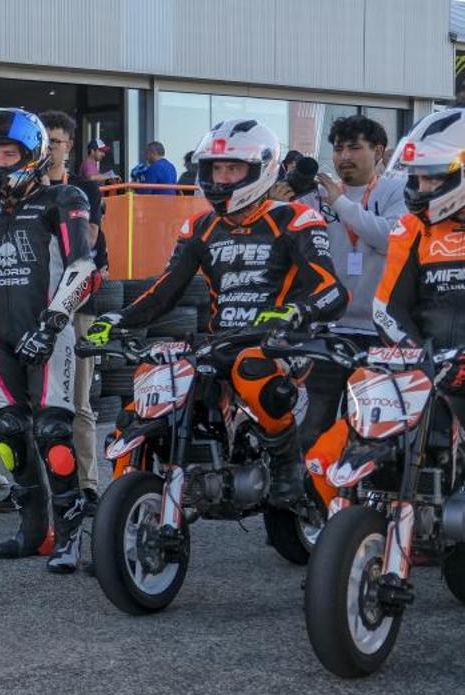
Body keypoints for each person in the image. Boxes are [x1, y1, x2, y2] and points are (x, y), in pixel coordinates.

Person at [86, 118, 347, 506]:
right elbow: (165, 290)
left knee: (251, 368)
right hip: (219, 341)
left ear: (260, 170)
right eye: (216, 168)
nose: (222, 178)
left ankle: (286, 460)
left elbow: (332, 290)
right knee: (144, 390)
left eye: (233, 168)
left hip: (283, 344)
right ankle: (127, 503)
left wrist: (294, 312)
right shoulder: (200, 226)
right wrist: (118, 319)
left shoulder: (294, 218)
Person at [0, 108, 99, 573]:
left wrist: (52, 323)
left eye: (9, 154)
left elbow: (85, 269)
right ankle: (33, 532)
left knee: (53, 434)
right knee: (9, 435)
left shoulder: (65, 196)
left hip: (50, 332)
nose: (0, 163)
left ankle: (69, 537)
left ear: (34, 154)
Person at [309, 108, 465, 507]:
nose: (422, 186)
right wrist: (423, 361)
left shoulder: (390, 202)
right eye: (418, 176)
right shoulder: (412, 228)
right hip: (428, 363)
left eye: (434, 177)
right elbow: (388, 305)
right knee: (348, 434)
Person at [269, 114, 407, 451]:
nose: (344, 156)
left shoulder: (397, 189)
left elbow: (390, 238)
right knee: (315, 423)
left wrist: (340, 203)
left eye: (355, 147)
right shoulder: (312, 198)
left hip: (382, 331)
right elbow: (279, 251)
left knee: (372, 426)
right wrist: (276, 207)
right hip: (329, 328)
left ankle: (363, 498)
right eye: (339, 148)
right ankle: (307, 498)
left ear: (378, 151)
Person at [40, 109, 107, 514]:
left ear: (68, 146)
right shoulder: (24, 190)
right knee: (32, 404)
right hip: (32, 305)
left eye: (56, 141)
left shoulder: (85, 190)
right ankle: (28, 485)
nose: (49, 148)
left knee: (78, 402)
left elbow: (86, 240)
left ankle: (88, 485)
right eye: (44, 140)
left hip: (79, 306)